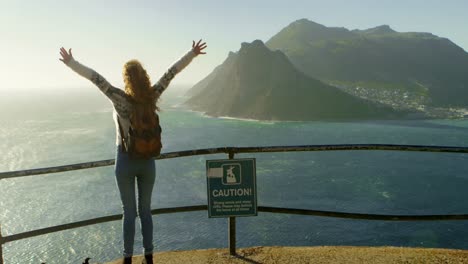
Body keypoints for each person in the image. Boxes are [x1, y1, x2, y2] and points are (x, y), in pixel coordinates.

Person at [59, 40, 207, 264]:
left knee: (129, 213)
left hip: (125, 161)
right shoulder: (152, 96)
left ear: (127, 79)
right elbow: (171, 73)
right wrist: (192, 53)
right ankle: (149, 257)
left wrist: (71, 62)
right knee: (145, 211)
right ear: (144, 76)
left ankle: (127, 258)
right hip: (148, 161)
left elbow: (95, 77)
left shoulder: (119, 99)